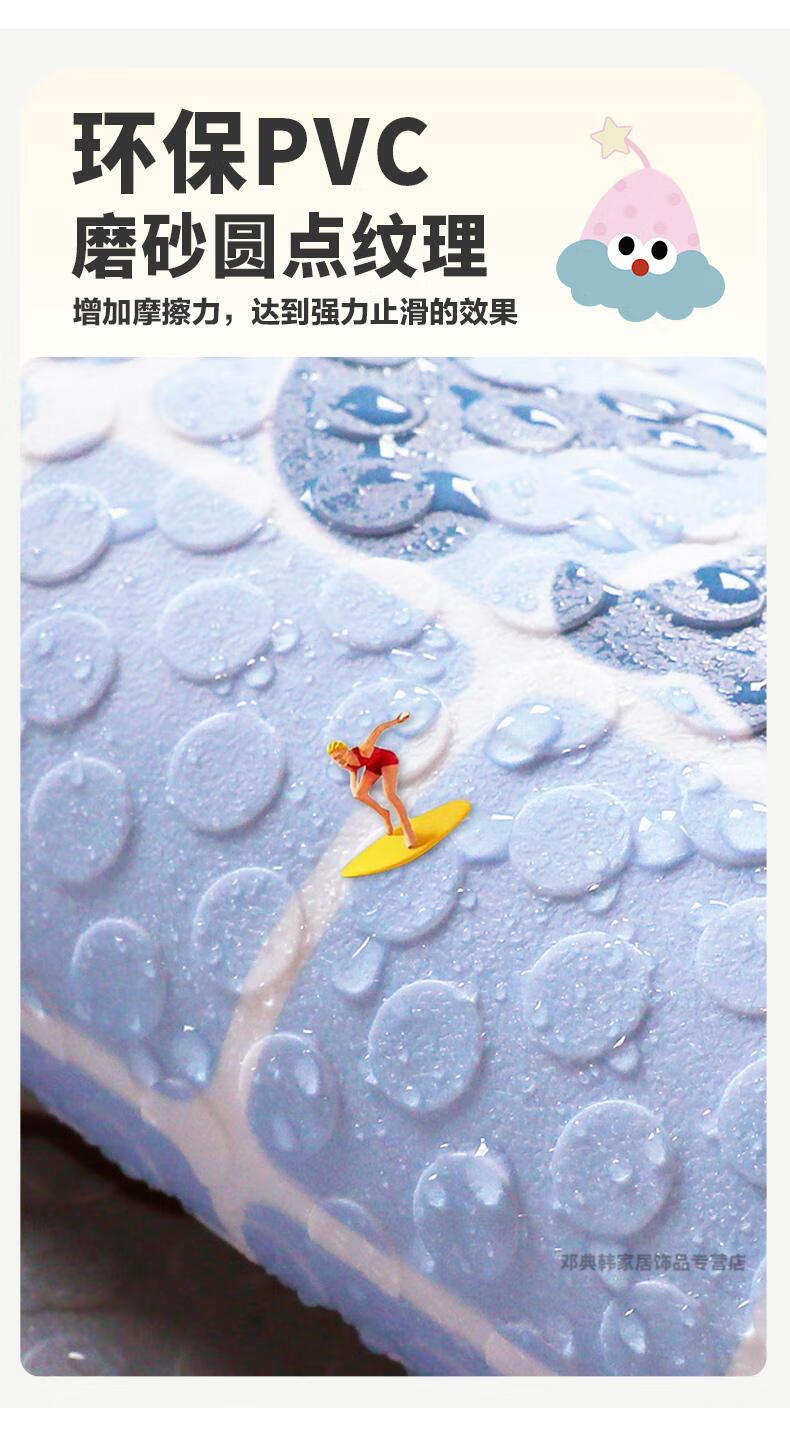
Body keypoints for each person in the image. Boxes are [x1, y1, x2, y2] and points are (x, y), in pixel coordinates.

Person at [326, 712, 418, 848]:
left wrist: (397, 721)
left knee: (390, 795)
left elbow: (378, 729)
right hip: (373, 766)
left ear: (347, 750)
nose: (339, 761)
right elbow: (353, 777)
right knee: (359, 794)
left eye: (340, 756)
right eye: (335, 759)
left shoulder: (364, 749)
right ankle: (384, 814)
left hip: (387, 760)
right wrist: (356, 793)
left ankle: (406, 827)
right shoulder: (345, 764)